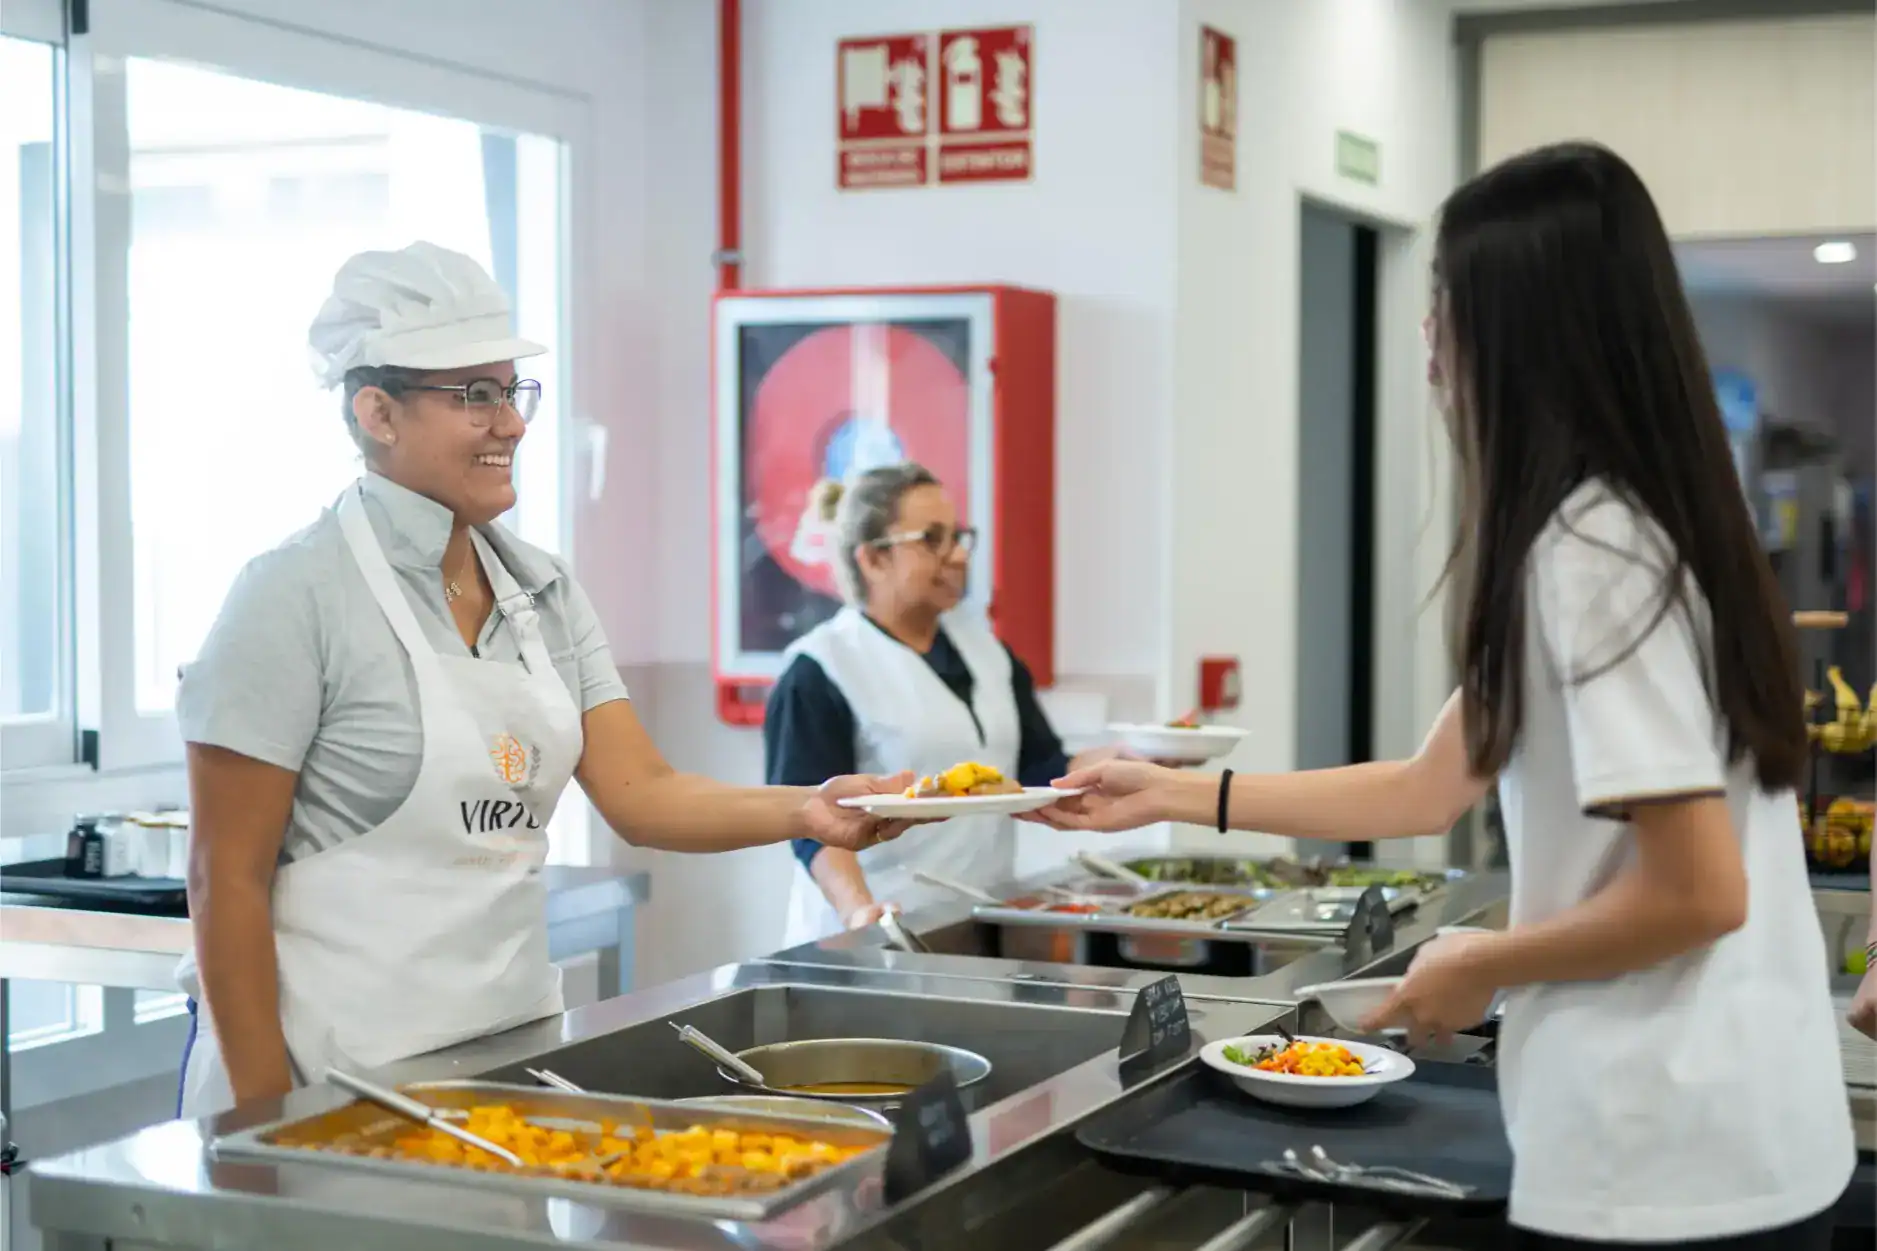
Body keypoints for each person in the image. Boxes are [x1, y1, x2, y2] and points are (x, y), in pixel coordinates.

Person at [1030, 143, 1854, 1249]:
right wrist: (1175, 795)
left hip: (1661, 1153)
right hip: (1739, 1129)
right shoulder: (1647, 526)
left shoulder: (1592, 553)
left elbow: (1698, 892)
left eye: (1442, 303)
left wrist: (1480, 960)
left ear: (1518, 329)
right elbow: (1427, 789)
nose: (1426, 338)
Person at [174, 242, 917, 1118]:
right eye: (473, 396)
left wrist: (809, 807)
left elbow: (644, 793)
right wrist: (266, 1122)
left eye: (510, 390)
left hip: (503, 1061)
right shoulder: (291, 595)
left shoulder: (543, 590)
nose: (512, 424)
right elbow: (225, 878)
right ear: (377, 411)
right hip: (332, 1074)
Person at [765, 463, 1126, 944]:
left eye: (958, 536)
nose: (957, 555)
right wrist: (859, 910)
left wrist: (1138, 756)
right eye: (932, 539)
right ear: (873, 559)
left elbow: (1042, 765)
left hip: (975, 920)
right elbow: (810, 820)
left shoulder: (987, 652)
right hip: (871, 934)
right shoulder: (821, 668)